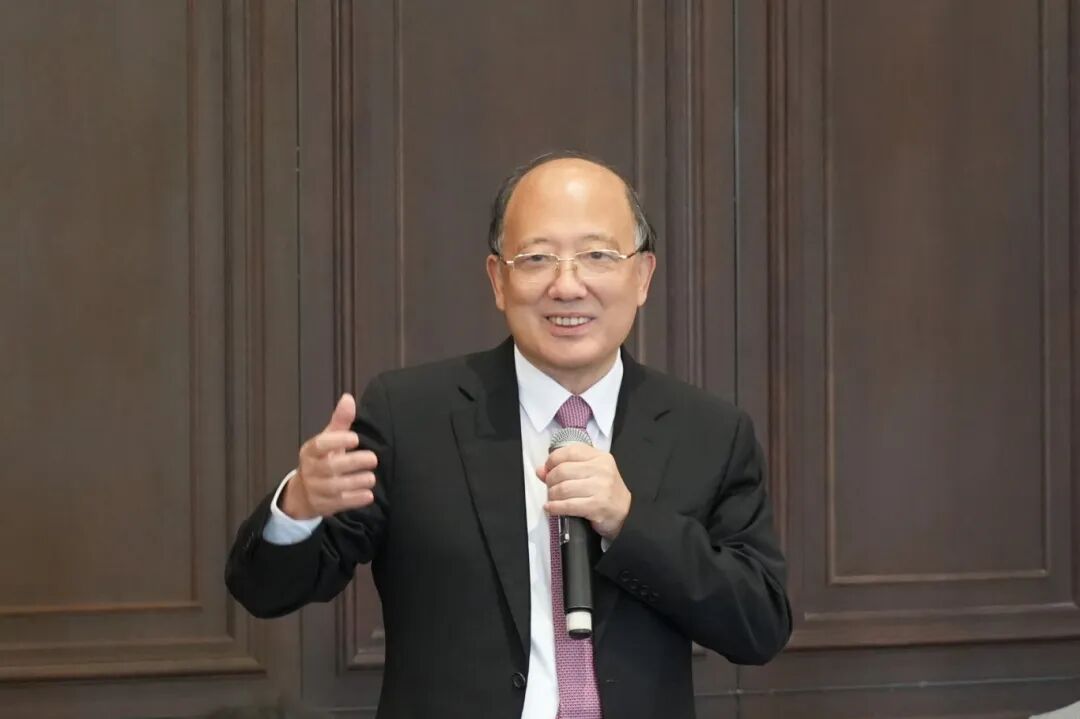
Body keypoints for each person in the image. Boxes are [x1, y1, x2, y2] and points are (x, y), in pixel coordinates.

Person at [226, 151, 792, 719]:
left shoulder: (708, 432)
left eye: (597, 255)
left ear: (643, 276)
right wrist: (299, 507)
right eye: (537, 258)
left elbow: (759, 625)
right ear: (498, 279)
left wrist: (630, 522)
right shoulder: (411, 416)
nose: (567, 286)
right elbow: (266, 591)